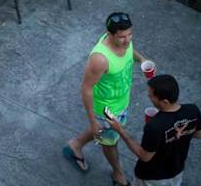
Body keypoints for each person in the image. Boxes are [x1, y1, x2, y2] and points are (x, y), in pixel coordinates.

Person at [63, 12, 151, 186]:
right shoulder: (100, 59)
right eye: (122, 37)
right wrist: (93, 120)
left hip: (121, 102)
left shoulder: (124, 41)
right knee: (110, 142)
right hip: (107, 111)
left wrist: (141, 59)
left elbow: (130, 49)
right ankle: (118, 174)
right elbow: (86, 89)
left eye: (130, 34)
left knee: (103, 131)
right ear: (109, 34)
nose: (127, 40)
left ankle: (75, 145)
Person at [106, 75, 201, 186]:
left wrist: (120, 129)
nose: (148, 96)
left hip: (152, 178)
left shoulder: (155, 126)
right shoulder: (193, 110)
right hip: (177, 170)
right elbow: (199, 134)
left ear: (165, 102)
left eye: (152, 96)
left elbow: (144, 156)